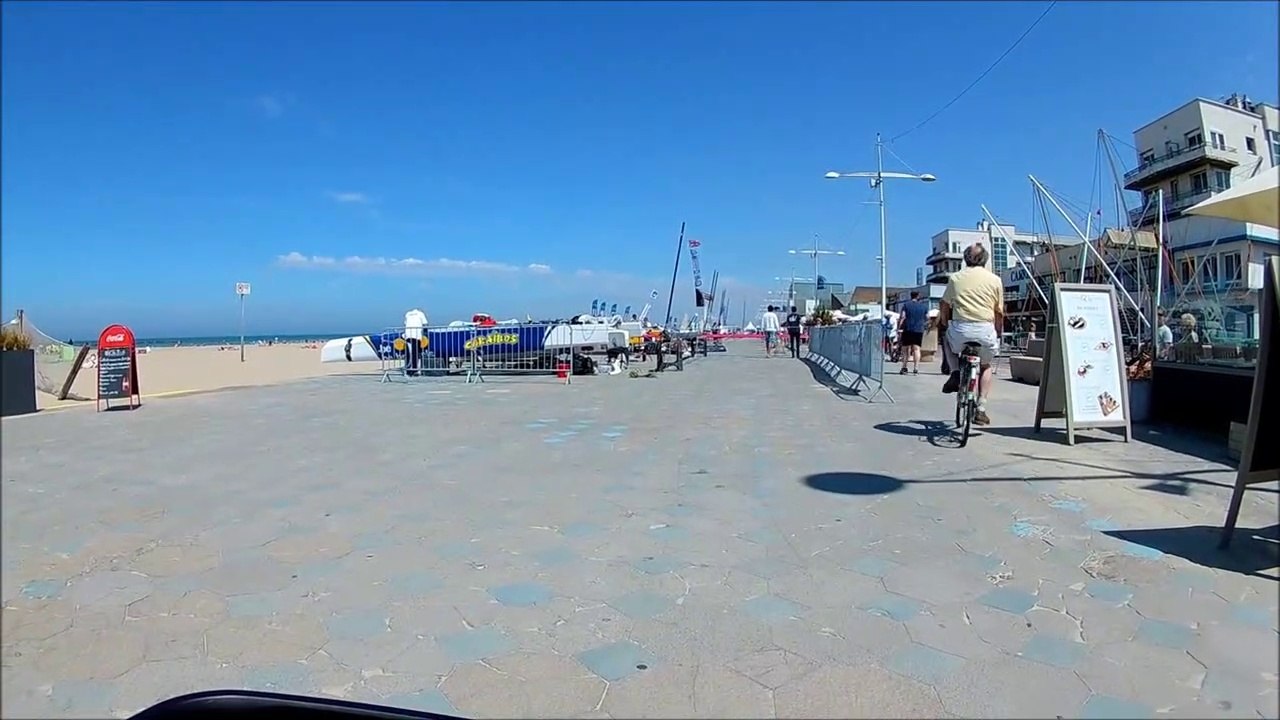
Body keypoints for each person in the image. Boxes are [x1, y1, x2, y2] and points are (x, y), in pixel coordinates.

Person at [939, 243, 1003, 426]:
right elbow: (999, 312)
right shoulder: (995, 280)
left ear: (965, 259)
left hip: (961, 328)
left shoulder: (955, 278)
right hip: (985, 329)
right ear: (985, 259)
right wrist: (997, 331)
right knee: (985, 366)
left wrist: (944, 321)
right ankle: (981, 407)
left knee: (947, 341)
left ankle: (955, 372)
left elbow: (945, 304)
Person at [898, 291, 928, 375]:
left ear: (911, 296)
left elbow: (903, 317)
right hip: (918, 330)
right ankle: (916, 368)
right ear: (918, 296)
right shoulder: (923, 307)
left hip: (908, 329)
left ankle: (904, 367)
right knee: (916, 349)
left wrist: (899, 328)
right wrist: (923, 324)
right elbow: (927, 318)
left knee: (905, 349)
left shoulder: (906, 305)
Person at [403, 307, 428, 376]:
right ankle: (414, 369)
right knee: (415, 353)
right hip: (416, 335)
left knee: (409, 353)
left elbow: (405, 324)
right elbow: (425, 324)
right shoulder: (420, 314)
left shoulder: (408, 314)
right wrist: (426, 336)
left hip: (408, 335)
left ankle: (408, 369)